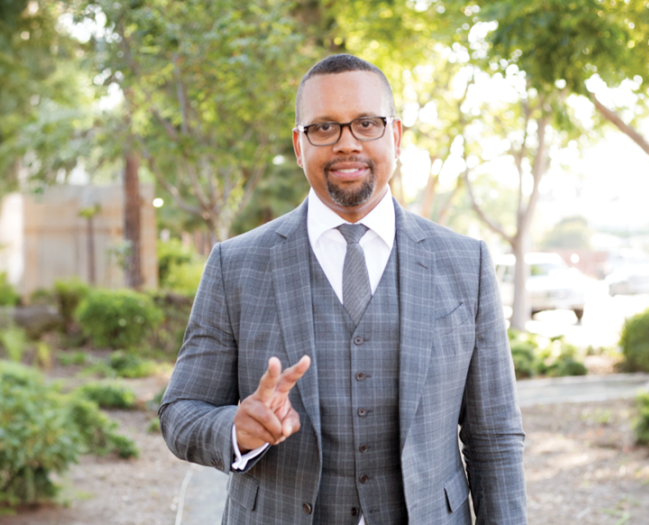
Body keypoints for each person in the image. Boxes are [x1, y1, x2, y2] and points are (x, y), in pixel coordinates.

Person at [159, 53, 527, 525]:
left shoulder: (465, 263)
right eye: (324, 128)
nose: (346, 143)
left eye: (366, 124)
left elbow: (494, 435)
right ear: (299, 144)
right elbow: (180, 412)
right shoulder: (236, 265)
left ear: (394, 136)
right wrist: (234, 428)